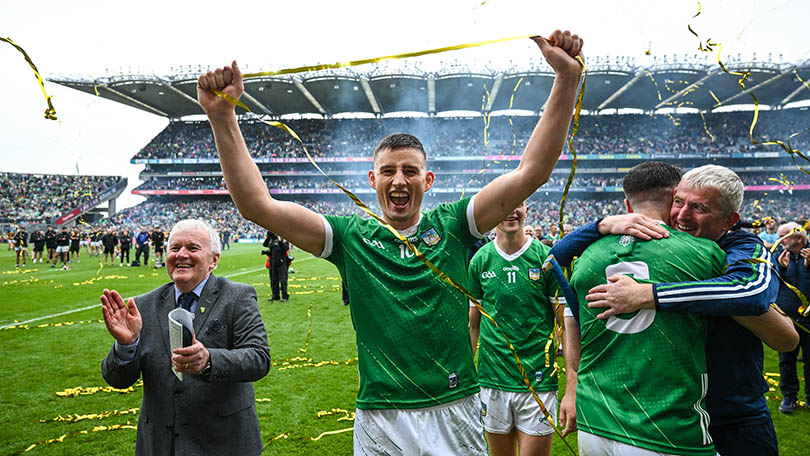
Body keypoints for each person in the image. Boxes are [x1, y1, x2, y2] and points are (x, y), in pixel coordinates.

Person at [197, 29, 583, 454]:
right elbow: (257, 205)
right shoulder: (350, 236)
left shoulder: (455, 224)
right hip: (381, 414)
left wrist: (566, 79)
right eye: (389, 171)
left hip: (454, 407)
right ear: (373, 181)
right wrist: (222, 116)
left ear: (427, 180)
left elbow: (533, 171)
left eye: (410, 171)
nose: (399, 180)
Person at [552, 164, 798, 455]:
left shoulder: (739, 248)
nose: (681, 215)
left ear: (729, 220)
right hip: (670, 415)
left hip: (735, 413)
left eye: (699, 207)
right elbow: (552, 262)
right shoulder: (672, 248)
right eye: (678, 202)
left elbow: (774, 322)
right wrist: (600, 225)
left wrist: (649, 294)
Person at [564, 162, 725, 455]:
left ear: (627, 203)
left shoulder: (586, 256)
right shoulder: (705, 253)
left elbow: (570, 320)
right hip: (663, 424)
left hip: (594, 418)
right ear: (676, 198)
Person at [100, 219, 271, 455]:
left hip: (224, 442)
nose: (181, 254)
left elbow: (259, 358)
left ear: (214, 260)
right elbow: (117, 380)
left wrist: (209, 360)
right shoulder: (142, 306)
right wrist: (126, 345)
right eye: (174, 248)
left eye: (192, 248)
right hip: (160, 444)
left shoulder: (237, 297)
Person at [468, 201, 562, 456]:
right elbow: (472, 324)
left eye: (517, 204)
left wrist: (573, 381)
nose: (510, 211)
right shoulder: (480, 260)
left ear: (527, 210)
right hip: (492, 380)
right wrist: (467, 371)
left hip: (538, 381)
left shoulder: (546, 258)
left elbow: (565, 322)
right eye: (503, 205)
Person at [773, 222, 810, 414]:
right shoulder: (777, 254)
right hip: (786, 318)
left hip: (809, 319)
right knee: (786, 360)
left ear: (797, 238)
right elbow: (770, 281)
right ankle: (789, 397)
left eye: (783, 236)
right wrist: (780, 267)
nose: (780, 240)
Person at [264, 231, 290, 302]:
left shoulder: (284, 240)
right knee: (273, 280)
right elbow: (265, 244)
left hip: (282, 262)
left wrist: (279, 240)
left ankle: (285, 296)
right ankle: (275, 295)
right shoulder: (271, 241)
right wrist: (268, 237)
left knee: (283, 280)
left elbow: (285, 248)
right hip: (273, 263)